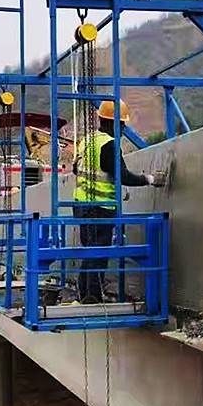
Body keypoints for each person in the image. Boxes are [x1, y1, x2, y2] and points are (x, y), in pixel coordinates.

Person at [72, 99, 166, 303]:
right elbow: (122, 175)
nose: (123, 129)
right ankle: (93, 298)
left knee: (89, 252)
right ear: (112, 123)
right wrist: (148, 179)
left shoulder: (87, 141)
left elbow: (75, 169)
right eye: (122, 124)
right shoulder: (108, 145)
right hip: (99, 208)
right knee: (98, 253)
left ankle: (85, 295)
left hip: (81, 206)